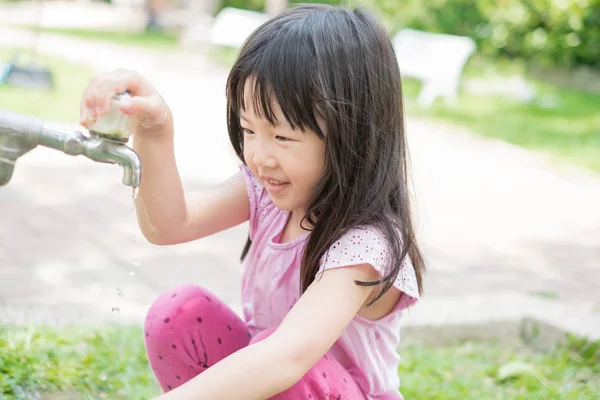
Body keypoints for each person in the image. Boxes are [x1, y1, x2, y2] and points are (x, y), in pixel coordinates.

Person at [79, 4, 425, 399]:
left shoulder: (366, 244)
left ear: (353, 134)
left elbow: (289, 357)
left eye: (282, 137)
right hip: (274, 377)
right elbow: (169, 225)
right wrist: (155, 131)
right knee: (179, 313)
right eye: (248, 129)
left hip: (312, 381)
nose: (260, 156)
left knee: (292, 367)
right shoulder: (268, 192)